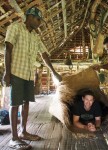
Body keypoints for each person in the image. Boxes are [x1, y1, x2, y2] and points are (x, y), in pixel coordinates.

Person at [3, 7, 62, 150]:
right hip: (16, 72)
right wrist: (7, 72)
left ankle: (23, 132)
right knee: (15, 104)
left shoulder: (35, 36)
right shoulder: (15, 28)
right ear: (29, 17)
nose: (39, 22)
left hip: (28, 74)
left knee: (26, 103)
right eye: (38, 19)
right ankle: (14, 138)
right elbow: (8, 49)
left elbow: (44, 55)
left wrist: (53, 72)